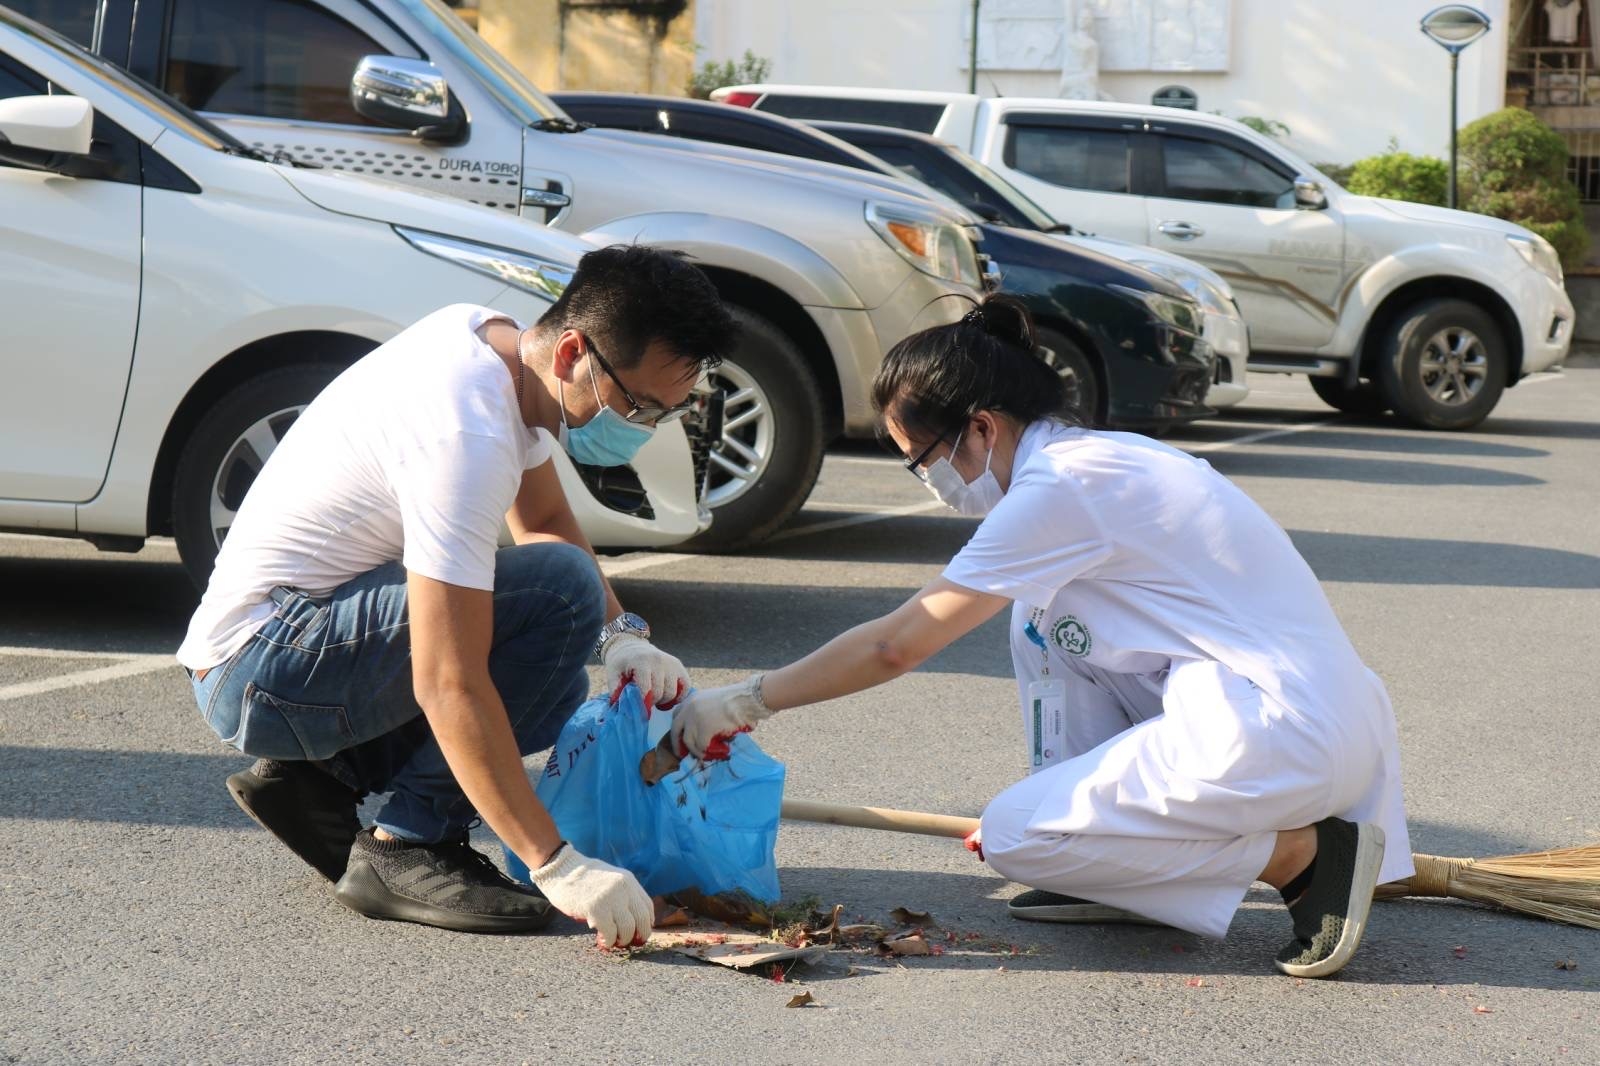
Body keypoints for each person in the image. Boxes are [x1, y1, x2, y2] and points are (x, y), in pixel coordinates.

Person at [669, 295, 1412, 978]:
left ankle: (1303, 856)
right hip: (1285, 715)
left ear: (981, 427)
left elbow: (896, 645)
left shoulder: (1061, 487)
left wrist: (747, 700)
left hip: (1282, 735)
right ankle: (1112, 869)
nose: (929, 481)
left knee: (1017, 837)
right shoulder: (1098, 460)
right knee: (1040, 623)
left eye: (923, 460)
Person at [177, 245, 738, 948]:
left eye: (663, 413)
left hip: (275, 646)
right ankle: (409, 846)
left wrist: (622, 636)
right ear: (573, 352)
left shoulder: (491, 348)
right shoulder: (464, 431)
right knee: (559, 595)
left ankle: (321, 780)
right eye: (639, 405)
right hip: (263, 666)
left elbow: (545, 519)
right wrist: (555, 862)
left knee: (556, 678)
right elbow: (447, 680)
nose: (642, 428)